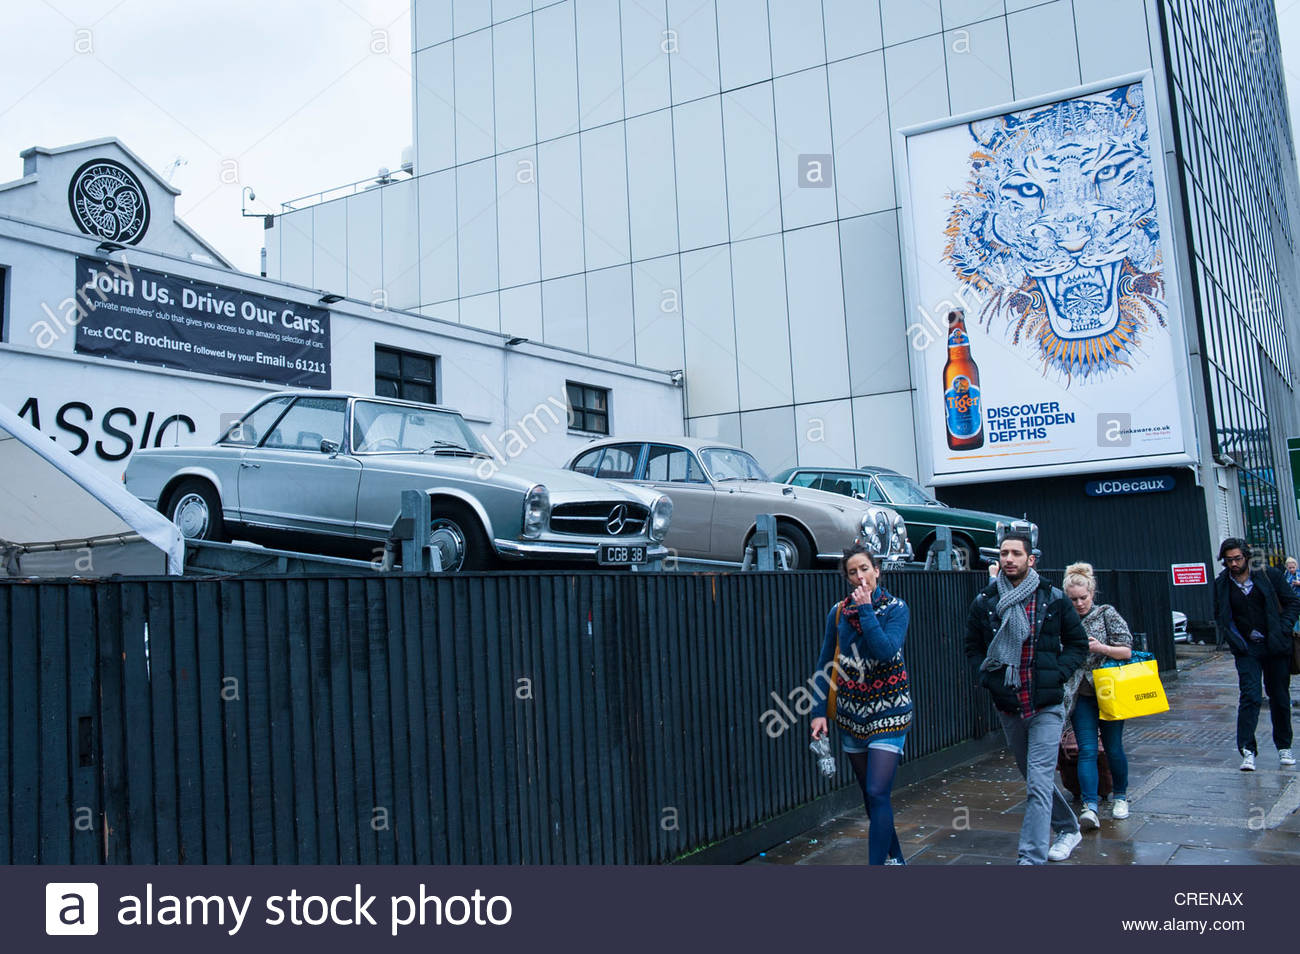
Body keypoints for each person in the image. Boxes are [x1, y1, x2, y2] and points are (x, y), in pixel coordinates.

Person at [965, 531, 1088, 864]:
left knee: (1037, 783)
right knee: (1035, 778)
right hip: (1009, 704)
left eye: (1016, 553)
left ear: (1030, 559)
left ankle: (1030, 859)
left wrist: (1058, 674)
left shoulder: (1053, 598)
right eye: (1004, 553)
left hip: (1046, 704)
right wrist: (988, 677)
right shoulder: (986, 601)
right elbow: (973, 648)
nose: (1008, 559)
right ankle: (1068, 827)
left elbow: (1078, 643)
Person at [810, 544, 912, 865]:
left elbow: (885, 651)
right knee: (871, 796)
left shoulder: (896, 608)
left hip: (889, 711)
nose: (860, 577)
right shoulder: (838, 612)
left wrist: (866, 610)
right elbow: (826, 663)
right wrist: (817, 713)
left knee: (879, 791)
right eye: (853, 572)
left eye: (865, 569)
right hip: (851, 714)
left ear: (877, 570)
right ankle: (895, 858)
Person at [1213, 538, 1300, 770]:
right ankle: (1248, 750)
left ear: (1247, 556)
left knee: (1279, 696)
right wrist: (1235, 641)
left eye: (1237, 558)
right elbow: (1220, 615)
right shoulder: (1222, 584)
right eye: (1229, 560)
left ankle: (1284, 747)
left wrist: (1283, 629)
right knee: (1250, 695)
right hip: (1246, 648)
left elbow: (1293, 602)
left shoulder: (1269, 575)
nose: (1233, 564)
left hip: (1275, 646)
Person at [1062, 562, 1133, 831]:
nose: (1079, 604)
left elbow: (1126, 650)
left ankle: (1121, 797)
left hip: (1110, 690)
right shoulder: (1063, 619)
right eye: (1073, 599)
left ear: (1092, 593)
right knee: (1087, 750)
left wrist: (1100, 647)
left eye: (1083, 598)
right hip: (1081, 694)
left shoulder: (1107, 614)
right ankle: (1089, 806)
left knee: (1114, 747)